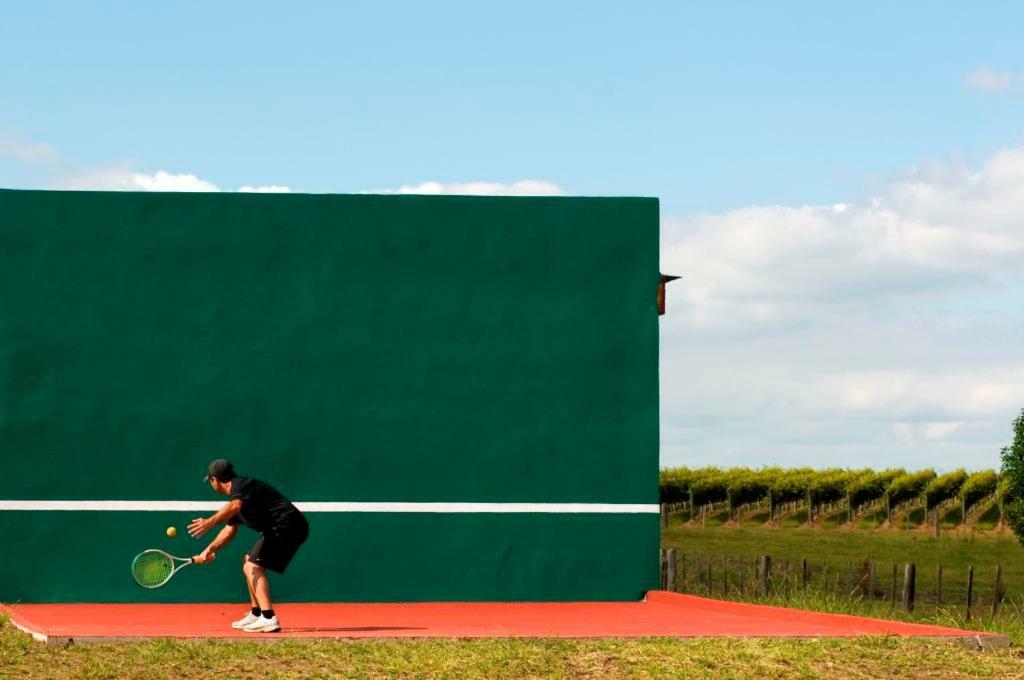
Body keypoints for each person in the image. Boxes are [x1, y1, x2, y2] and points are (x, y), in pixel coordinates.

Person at [188, 459, 309, 633]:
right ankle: (256, 613)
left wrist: (209, 522)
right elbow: (229, 530)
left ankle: (269, 618)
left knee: (252, 567)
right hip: (282, 528)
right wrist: (208, 551)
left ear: (214, 480)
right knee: (248, 560)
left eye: (211, 482)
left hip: (288, 527)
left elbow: (234, 506)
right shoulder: (240, 497)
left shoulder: (240, 487)